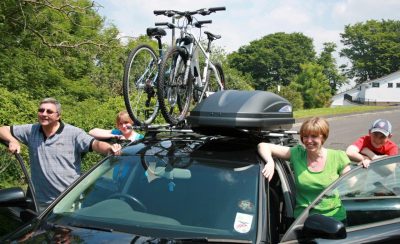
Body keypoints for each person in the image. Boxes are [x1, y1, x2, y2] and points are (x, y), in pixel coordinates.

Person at [0, 98, 122, 211]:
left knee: (66, 234)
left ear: (58, 116)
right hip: (39, 202)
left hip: (68, 201)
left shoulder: (74, 133)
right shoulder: (31, 130)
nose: (44, 114)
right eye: (41, 110)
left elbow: (95, 144)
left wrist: (109, 148)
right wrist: (12, 140)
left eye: (49, 111)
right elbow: (2, 129)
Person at [258, 117, 351, 223]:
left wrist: (364, 164)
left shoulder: (338, 157)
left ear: (323, 137)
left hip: (334, 218)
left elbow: (351, 184)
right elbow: (263, 146)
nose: (308, 140)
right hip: (303, 221)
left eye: (314, 136)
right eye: (305, 136)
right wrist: (270, 161)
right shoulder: (297, 154)